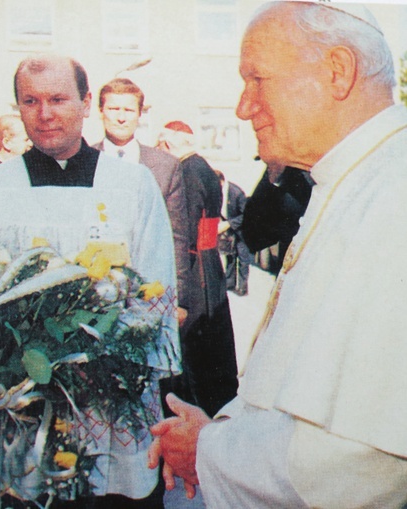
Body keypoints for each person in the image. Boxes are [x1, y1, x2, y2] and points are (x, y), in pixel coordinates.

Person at [149, 3, 407, 508]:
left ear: (337, 72)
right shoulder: (355, 180)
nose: (244, 107)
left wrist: (210, 451)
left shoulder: (393, 196)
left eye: (256, 79)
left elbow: (364, 464)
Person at [0, 54, 179, 508]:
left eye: (58, 99)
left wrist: (103, 361)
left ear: (86, 101)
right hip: (25, 404)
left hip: (114, 402)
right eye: (30, 101)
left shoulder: (131, 184)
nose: (45, 113)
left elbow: (156, 289)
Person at [156, 122, 238, 418]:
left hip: (196, 269)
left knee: (196, 352)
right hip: (210, 263)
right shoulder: (204, 167)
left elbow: (186, 230)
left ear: (168, 145)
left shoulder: (187, 172)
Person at [93, 78, 189, 327]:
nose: (121, 118)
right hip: (95, 289)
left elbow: (176, 235)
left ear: (139, 115)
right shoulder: (85, 162)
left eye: (128, 110)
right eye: (114, 109)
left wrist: (178, 299)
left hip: (149, 288)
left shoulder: (165, 166)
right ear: (101, 111)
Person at [242, 162, 314, 273]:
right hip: (291, 260)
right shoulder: (287, 174)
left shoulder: (308, 177)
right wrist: (272, 178)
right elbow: (253, 234)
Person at [214, 170, 250, 296]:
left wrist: (229, 223)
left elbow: (246, 215)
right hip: (229, 230)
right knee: (230, 256)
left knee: (243, 258)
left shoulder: (236, 193)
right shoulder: (217, 192)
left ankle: (242, 287)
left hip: (242, 229)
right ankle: (230, 283)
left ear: (221, 182)